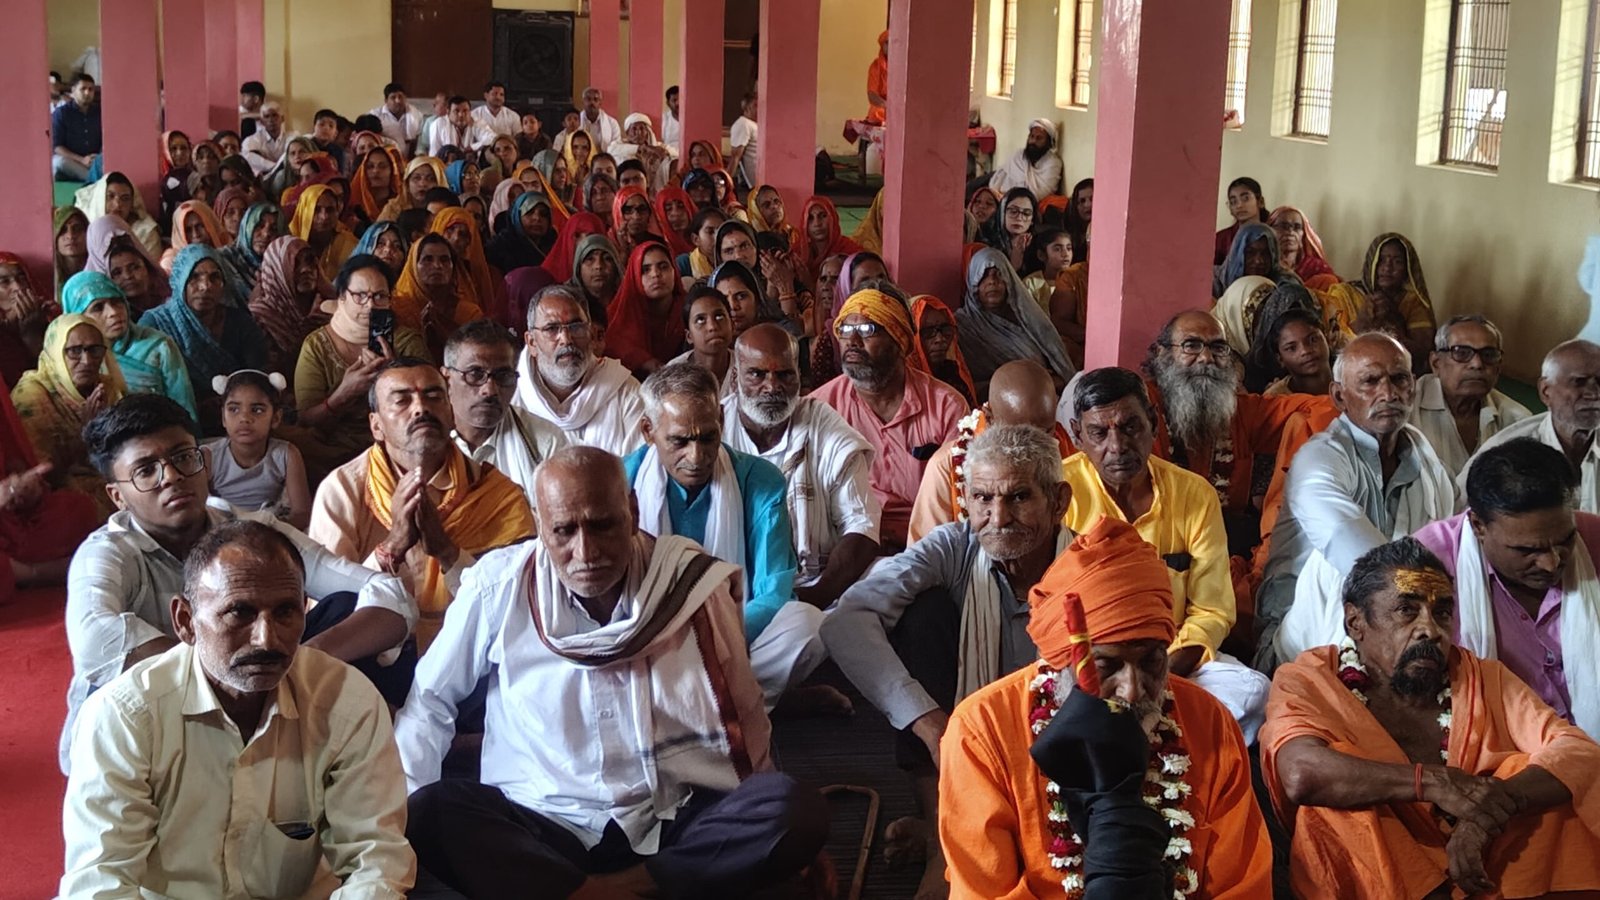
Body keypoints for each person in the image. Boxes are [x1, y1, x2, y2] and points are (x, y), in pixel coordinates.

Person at [395, 445, 827, 897]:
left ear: (632, 510)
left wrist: (781, 827)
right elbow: (429, 702)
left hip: (669, 813)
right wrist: (401, 836)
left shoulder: (686, 579)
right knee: (432, 810)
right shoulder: (498, 586)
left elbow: (741, 711)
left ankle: (604, 890)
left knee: (794, 809)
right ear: (540, 526)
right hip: (543, 821)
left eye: (602, 525)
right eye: (564, 531)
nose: (587, 551)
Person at [60, 519, 415, 897]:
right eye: (239, 612)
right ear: (185, 622)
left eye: (285, 613)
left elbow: (375, 860)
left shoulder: (346, 701)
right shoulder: (125, 716)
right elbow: (101, 883)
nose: (266, 638)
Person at [63, 394, 419, 770]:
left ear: (206, 463)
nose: (171, 477)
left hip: (257, 694)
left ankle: (361, 761)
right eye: (146, 470)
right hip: (147, 733)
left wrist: (295, 665)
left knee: (347, 609)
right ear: (118, 497)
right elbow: (95, 640)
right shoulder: (108, 553)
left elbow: (390, 596)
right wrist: (226, 678)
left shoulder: (251, 530)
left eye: (183, 457)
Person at [941, 515, 1274, 898]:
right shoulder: (981, 730)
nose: (1132, 691)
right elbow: (983, 890)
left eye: (1150, 661)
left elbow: (1243, 886)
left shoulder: (1209, 721)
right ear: (1059, 660)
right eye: (1106, 666)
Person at [1262, 537, 1600, 899]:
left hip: (1486, 866)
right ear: (1355, 621)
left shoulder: (1480, 676)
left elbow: (1577, 750)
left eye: (1441, 612)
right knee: (1334, 809)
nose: (1431, 630)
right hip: (1390, 876)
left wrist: (1485, 814)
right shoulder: (1311, 677)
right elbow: (1300, 772)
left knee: (1538, 777)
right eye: (1407, 610)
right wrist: (1432, 782)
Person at [827, 424, 1074, 899]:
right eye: (982, 498)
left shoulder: (1086, 560)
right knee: (924, 615)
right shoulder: (953, 546)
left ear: (1058, 502)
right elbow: (846, 620)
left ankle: (968, 840)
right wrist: (927, 720)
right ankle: (945, 826)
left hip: (1057, 755)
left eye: (1019, 497)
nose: (997, 517)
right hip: (961, 753)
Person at [1064, 367, 1272, 739]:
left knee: (1254, 692)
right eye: (1099, 433)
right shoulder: (1060, 493)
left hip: (1173, 661)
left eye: (1130, 427)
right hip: (1089, 664)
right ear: (1078, 435)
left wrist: (1155, 678)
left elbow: (1212, 610)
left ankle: (1176, 768)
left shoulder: (1194, 494)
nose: (1117, 446)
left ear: (1154, 425)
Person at [626, 363, 833, 702]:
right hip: (653, 641)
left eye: (708, 437)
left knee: (808, 627)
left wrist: (711, 641)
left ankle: (702, 704)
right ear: (648, 431)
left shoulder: (759, 480)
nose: (697, 456)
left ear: (721, 420)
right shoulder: (623, 481)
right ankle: (747, 703)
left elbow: (773, 591)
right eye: (679, 441)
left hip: (734, 636)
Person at [1258, 333, 1457, 670]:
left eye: (1399, 379)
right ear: (1339, 396)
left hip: (1404, 620)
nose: (1389, 393)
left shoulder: (1425, 459)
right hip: (1301, 636)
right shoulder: (1318, 458)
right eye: (1370, 381)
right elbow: (1359, 560)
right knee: (1336, 571)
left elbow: (1452, 546)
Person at [310, 358, 533, 652]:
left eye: (433, 397)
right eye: (401, 400)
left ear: (451, 414)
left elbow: (520, 606)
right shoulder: (342, 490)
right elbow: (329, 610)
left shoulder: (498, 496)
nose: (420, 408)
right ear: (376, 426)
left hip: (472, 657)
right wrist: (391, 548)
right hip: (371, 664)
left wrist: (446, 550)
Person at [1414, 438, 1600, 734]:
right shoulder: (1425, 567)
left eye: (1566, 541)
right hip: (1495, 755)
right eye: (1528, 551)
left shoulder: (1594, 537)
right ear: (1478, 526)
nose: (1551, 563)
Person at [1145, 310, 1333, 554]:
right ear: (1164, 353)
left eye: (1218, 348)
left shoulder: (1239, 410)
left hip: (1224, 545)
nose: (1206, 358)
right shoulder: (1142, 407)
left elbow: (1321, 409)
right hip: (1157, 545)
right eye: (1191, 345)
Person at [724, 323, 879, 604]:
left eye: (784, 374)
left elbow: (861, 526)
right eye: (757, 374)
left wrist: (815, 597)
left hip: (818, 588)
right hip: (731, 592)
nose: (772, 387)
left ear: (800, 377)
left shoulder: (823, 425)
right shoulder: (714, 429)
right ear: (735, 379)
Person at [812, 289, 967, 551]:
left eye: (866, 329)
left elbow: (958, 500)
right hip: (846, 543)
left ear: (898, 340)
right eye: (845, 330)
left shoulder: (945, 406)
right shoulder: (821, 407)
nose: (852, 340)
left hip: (925, 546)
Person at [908, 359, 1064, 545]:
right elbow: (927, 553)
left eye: (1045, 432)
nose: (1033, 448)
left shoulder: (1069, 452)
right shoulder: (947, 466)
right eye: (1018, 436)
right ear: (989, 417)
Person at [296, 254, 430, 466]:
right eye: (360, 295)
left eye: (379, 296)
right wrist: (343, 393)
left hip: (396, 446)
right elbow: (306, 419)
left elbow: (427, 404)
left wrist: (392, 377)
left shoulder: (406, 341)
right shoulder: (316, 345)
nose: (370, 306)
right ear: (341, 297)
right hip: (334, 450)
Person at [140, 245, 268, 435]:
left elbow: (258, 376)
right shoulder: (156, 323)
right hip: (175, 425)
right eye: (194, 277)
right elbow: (146, 389)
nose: (205, 286)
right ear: (179, 280)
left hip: (238, 419)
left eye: (214, 278)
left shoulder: (240, 322)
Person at [1462, 339, 1600, 512]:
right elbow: (1464, 522)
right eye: (1579, 382)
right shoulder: (1505, 454)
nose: (1594, 394)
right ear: (1545, 391)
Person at [443, 318, 566, 507]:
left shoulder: (546, 444)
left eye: (504, 376)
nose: (490, 390)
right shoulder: (422, 443)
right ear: (447, 379)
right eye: (475, 374)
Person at [11, 313, 124, 516]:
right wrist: (85, 434)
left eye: (95, 350)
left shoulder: (105, 386)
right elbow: (42, 474)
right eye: (74, 351)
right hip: (59, 494)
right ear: (55, 352)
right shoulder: (31, 396)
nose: (87, 360)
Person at [515, 284, 644, 456]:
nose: (566, 339)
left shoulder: (625, 391)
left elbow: (641, 471)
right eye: (552, 329)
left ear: (590, 334)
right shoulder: (511, 398)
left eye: (576, 327)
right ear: (531, 342)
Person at [1406, 315, 1530, 478]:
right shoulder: (1406, 409)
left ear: (1498, 367)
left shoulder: (1517, 421)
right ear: (1436, 363)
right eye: (1461, 353)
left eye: (1488, 355)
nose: (1477, 364)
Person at [60, 272, 195, 422]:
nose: (113, 312)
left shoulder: (158, 346)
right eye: (98, 307)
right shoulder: (73, 360)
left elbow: (184, 409)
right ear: (77, 317)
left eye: (117, 302)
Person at [958, 247, 1074, 398]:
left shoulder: (1028, 317)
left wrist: (1057, 381)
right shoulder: (963, 326)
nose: (992, 282)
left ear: (1009, 280)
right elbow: (969, 385)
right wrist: (1031, 383)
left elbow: (1060, 364)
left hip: (1048, 398)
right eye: (984, 276)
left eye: (998, 274)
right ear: (973, 282)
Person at [202, 369, 309, 529]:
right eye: (234, 409)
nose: (244, 418)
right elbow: (199, 512)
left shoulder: (286, 455)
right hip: (222, 530)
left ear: (276, 418)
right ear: (223, 417)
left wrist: (268, 531)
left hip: (271, 529)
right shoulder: (209, 456)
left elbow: (302, 514)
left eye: (257, 410)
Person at [1324, 233, 1438, 364]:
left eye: (1397, 262)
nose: (1388, 268)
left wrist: (1393, 322)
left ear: (1408, 270)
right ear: (1371, 262)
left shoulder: (1412, 301)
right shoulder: (1344, 293)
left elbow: (1424, 351)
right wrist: (1363, 321)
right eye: (1381, 260)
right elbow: (1333, 346)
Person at [249, 234, 332, 378]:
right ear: (277, 270)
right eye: (294, 264)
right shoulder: (260, 317)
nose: (306, 269)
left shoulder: (327, 310)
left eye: (309, 261)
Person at [391, 234, 484, 361]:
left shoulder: (469, 313)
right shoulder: (398, 310)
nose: (437, 266)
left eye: (444, 260)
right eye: (428, 259)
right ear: (413, 266)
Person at [604, 241, 685, 378]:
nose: (655, 274)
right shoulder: (622, 313)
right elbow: (612, 346)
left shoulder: (690, 309)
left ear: (674, 271)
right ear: (634, 277)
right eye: (645, 270)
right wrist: (642, 360)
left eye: (663, 267)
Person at [74, 172, 163, 259]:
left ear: (132, 205)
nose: (117, 205)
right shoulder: (85, 227)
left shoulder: (146, 233)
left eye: (125, 199)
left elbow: (151, 271)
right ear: (100, 199)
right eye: (110, 196)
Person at [0, 253, 55, 389]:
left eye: (22, 278)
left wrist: (32, 333)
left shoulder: (49, 317)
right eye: (4, 282)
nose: (18, 287)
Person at [289, 183, 359, 284]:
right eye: (316, 210)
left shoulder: (350, 245)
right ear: (304, 211)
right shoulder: (287, 246)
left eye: (330, 210)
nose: (324, 216)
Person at [1255, 307, 1333, 398]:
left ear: (1327, 339)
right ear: (1280, 359)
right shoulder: (1276, 400)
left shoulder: (1350, 376)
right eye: (1292, 348)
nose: (1305, 351)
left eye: (1313, 340)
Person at [1268, 205, 1338, 290]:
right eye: (1283, 226)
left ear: (1304, 234)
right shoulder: (1264, 264)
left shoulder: (1316, 267)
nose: (1290, 232)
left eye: (1297, 227)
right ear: (1269, 229)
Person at [987, 119, 1063, 199]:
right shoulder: (1019, 155)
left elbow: (1041, 194)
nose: (1033, 141)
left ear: (1048, 142)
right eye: (1032, 136)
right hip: (999, 196)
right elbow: (1000, 176)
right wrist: (995, 193)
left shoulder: (1053, 163)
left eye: (1039, 138)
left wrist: (1007, 198)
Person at [51, 73, 100, 181]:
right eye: (83, 89)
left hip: (96, 161)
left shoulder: (100, 112)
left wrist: (97, 158)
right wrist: (82, 160)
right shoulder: (61, 113)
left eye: (91, 89)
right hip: (72, 161)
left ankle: (94, 177)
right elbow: (57, 146)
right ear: (73, 91)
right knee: (58, 162)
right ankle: (94, 180)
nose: (87, 93)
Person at [1213, 176, 1269, 266]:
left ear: (1260, 201)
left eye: (1245, 198)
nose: (1239, 205)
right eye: (1233, 201)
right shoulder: (1221, 239)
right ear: (1230, 208)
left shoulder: (1273, 234)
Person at [427, 96, 495, 159]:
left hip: (470, 167)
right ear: (448, 112)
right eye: (456, 111)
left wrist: (472, 147)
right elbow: (434, 154)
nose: (461, 115)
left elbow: (493, 138)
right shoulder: (438, 124)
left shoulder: (476, 121)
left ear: (470, 112)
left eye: (465, 111)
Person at [371, 82, 423, 156]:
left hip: (410, 157)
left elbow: (418, 141)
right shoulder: (376, 116)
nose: (398, 101)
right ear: (386, 100)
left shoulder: (416, 115)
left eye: (400, 97)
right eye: (393, 97)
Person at [241, 101, 289, 176]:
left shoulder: (292, 137)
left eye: (274, 115)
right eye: (267, 116)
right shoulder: (252, 140)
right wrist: (276, 167)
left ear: (282, 118)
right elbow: (248, 157)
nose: (271, 120)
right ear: (262, 121)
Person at [53, 207, 90, 300]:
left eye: (77, 228)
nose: (70, 236)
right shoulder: (49, 279)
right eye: (63, 230)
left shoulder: (99, 274)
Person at [726, 92, 760, 191]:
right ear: (747, 107)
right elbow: (735, 156)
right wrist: (727, 184)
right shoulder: (743, 124)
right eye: (755, 105)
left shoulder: (756, 125)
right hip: (756, 183)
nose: (759, 109)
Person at [865, 30, 889, 123]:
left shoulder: (904, 66)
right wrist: (888, 107)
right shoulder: (876, 66)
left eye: (893, 42)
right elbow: (872, 95)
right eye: (887, 42)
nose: (890, 46)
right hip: (881, 111)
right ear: (882, 46)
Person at [661, 85, 681, 150]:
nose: (678, 103)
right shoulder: (664, 119)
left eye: (680, 99)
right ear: (668, 103)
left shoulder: (692, 118)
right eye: (674, 100)